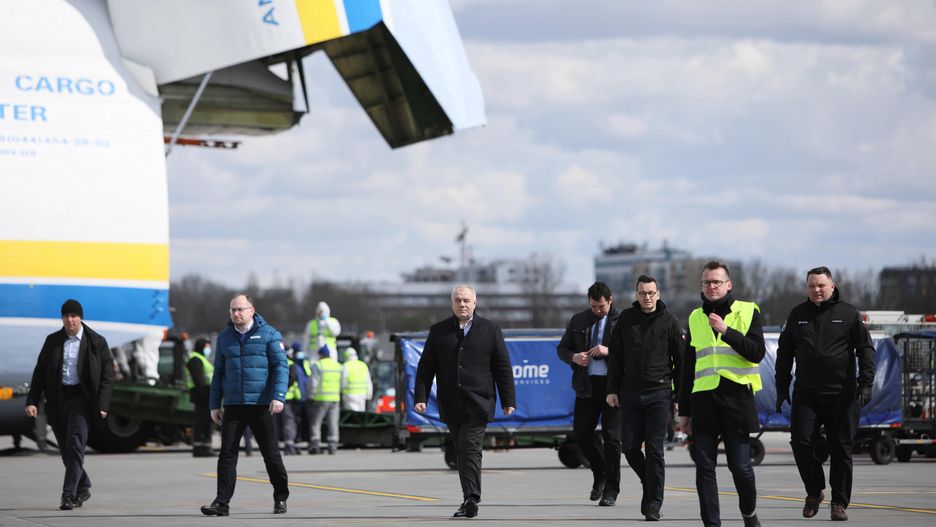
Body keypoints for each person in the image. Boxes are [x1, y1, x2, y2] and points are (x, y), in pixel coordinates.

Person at [775, 266, 875, 522]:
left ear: (832, 285)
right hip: (807, 393)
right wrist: (781, 387)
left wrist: (866, 383)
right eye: (811, 286)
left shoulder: (849, 314)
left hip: (842, 394)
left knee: (841, 448)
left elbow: (865, 349)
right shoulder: (797, 315)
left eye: (821, 285)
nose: (816, 290)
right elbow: (784, 353)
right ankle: (814, 491)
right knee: (800, 442)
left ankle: (839, 503)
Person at [414, 284, 516, 518]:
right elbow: (426, 367)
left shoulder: (490, 330)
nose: (462, 304)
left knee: (470, 449)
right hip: (451, 403)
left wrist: (508, 399)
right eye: (458, 300)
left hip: (479, 402)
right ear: (452, 303)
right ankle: (469, 496)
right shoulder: (438, 331)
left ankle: (471, 499)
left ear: (475, 303)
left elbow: (502, 367)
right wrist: (421, 397)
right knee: (462, 450)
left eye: (466, 300)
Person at [678, 261, 765, 527]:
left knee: (740, 467)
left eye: (716, 281)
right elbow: (688, 366)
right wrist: (683, 410)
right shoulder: (694, 317)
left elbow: (756, 352)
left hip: (736, 398)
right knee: (704, 468)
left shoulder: (748, 311)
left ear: (729, 285)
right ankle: (712, 524)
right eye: (706, 282)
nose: (711, 286)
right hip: (703, 400)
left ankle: (749, 514)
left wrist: (726, 331)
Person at [200, 294, 289, 516]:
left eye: (240, 309)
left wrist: (278, 396)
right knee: (227, 454)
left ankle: (280, 497)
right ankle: (222, 503)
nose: (236, 314)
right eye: (232, 310)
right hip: (233, 405)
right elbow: (218, 373)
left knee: (270, 454)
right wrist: (214, 404)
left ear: (252, 310)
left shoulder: (269, 335)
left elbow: (281, 367)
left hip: (261, 405)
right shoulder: (225, 338)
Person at [25, 299, 115, 510]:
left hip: (82, 400)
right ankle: (83, 486)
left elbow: (107, 377)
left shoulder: (96, 342)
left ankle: (68, 495)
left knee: (75, 445)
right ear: (62, 318)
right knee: (67, 451)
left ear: (80, 317)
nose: (70, 320)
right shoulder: (53, 341)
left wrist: (102, 405)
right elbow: (39, 373)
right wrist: (33, 401)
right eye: (66, 316)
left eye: (74, 316)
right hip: (58, 400)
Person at [607, 275, 683, 521]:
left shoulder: (670, 322)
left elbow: (681, 363)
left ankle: (653, 503)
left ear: (658, 294)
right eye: (642, 293)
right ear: (636, 295)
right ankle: (649, 482)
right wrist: (612, 390)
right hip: (630, 394)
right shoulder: (626, 320)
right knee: (628, 447)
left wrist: (680, 396)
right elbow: (616, 358)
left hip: (659, 394)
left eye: (651, 293)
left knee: (655, 450)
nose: (647, 297)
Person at [556, 281, 623, 506]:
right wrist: (574, 357)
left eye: (601, 307)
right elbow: (562, 349)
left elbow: (633, 354)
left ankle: (612, 489)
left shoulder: (622, 320)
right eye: (593, 306)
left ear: (610, 300)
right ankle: (600, 471)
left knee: (612, 438)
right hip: (586, 385)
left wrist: (608, 351)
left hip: (613, 387)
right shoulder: (578, 320)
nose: (597, 311)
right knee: (582, 434)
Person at [307, 345, 342, 454]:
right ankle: (332, 444)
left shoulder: (318, 365)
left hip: (321, 398)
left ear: (321, 355)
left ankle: (315, 443)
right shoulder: (338, 366)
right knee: (333, 422)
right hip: (335, 398)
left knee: (316, 422)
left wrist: (311, 395)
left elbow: (313, 382)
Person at [186, 338, 214, 457]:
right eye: (207, 346)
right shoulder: (195, 359)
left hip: (206, 393)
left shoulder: (201, 358)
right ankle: (199, 448)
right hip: (201, 394)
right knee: (202, 422)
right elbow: (199, 380)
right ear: (201, 346)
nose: (208, 349)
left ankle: (206, 447)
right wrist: (205, 393)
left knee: (206, 422)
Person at [282, 345, 301, 455]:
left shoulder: (275, 364)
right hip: (289, 398)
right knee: (290, 422)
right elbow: (292, 380)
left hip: (281, 398)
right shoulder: (291, 365)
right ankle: (289, 444)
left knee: (287, 422)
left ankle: (289, 443)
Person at [341, 347, 373, 412]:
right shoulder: (363, 365)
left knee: (351, 415)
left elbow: (343, 382)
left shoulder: (346, 365)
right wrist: (369, 394)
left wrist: (342, 393)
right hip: (362, 395)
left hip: (350, 394)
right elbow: (368, 381)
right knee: (360, 415)